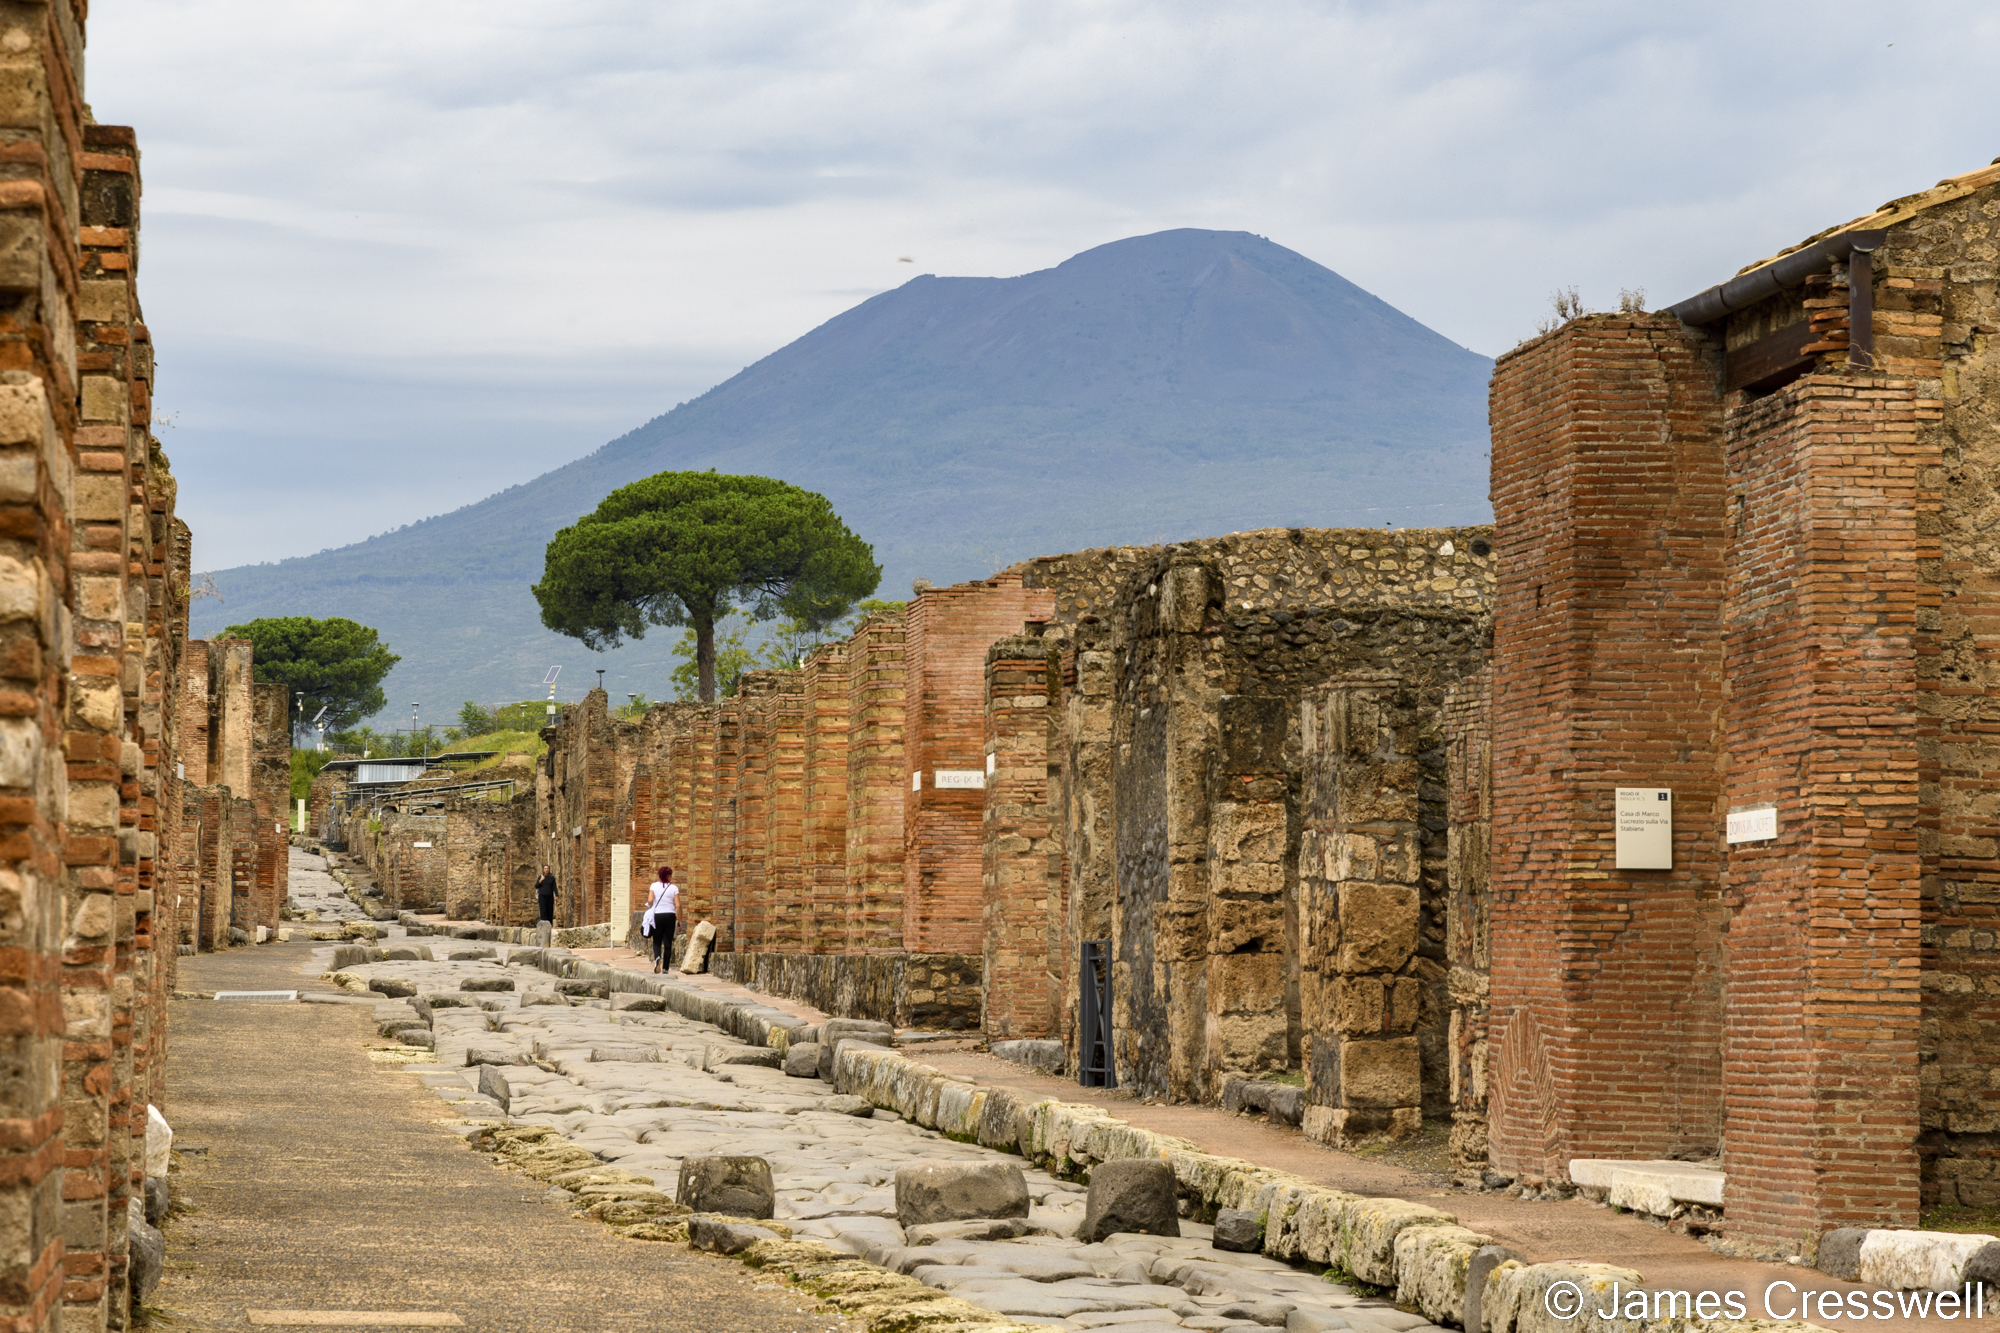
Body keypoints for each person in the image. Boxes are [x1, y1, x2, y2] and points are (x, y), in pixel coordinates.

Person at [642, 866, 679, 973]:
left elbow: (650, 900)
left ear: (659, 875)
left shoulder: (654, 886)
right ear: (670, 875)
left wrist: (651, 905)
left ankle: (658, 957)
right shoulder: (674, 888)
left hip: (657, 915)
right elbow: (678, 905)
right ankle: (665, 969)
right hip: (670, 915)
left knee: (657, 941)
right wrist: (680, 920)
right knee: (668, 942)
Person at [534, 866, 557, 948]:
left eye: (547, 868)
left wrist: (556, 895)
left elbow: (554, 886)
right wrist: (540, 880)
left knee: (550, 910)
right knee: (543, 909)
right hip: (542, 895)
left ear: (549, 870)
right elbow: (536, 886)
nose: (546, 870)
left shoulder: (552, 878)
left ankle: (549, 925)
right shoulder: (541, 877)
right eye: (545, 868)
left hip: (549, 895)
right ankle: (543, 925)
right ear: (543, 870)